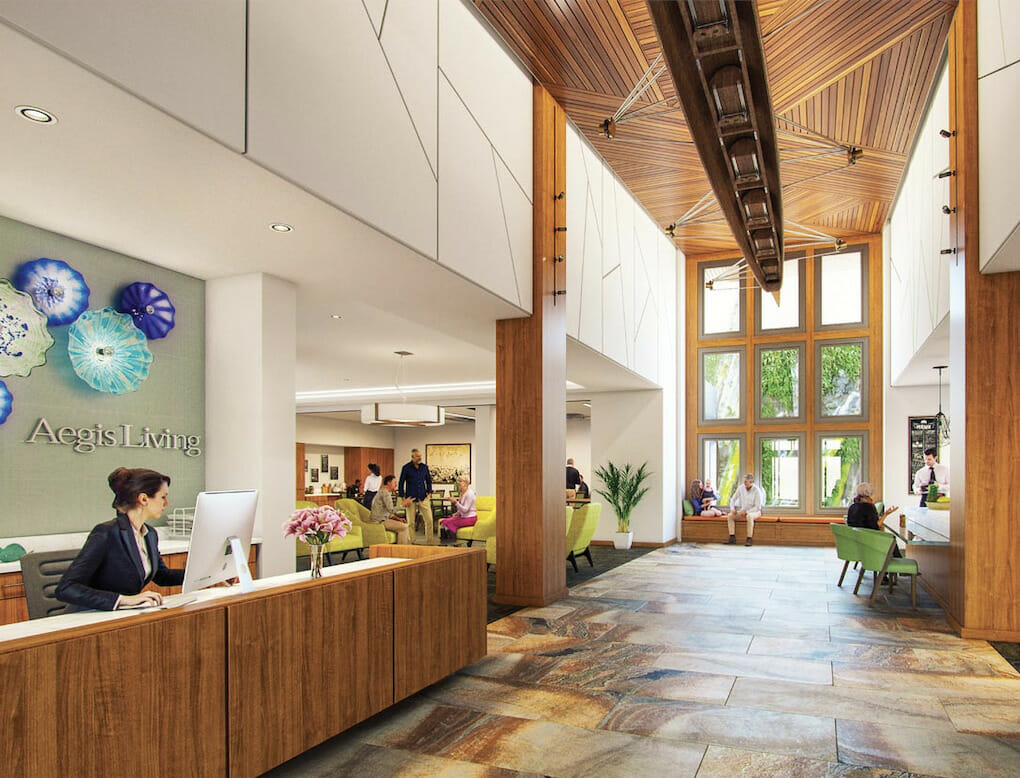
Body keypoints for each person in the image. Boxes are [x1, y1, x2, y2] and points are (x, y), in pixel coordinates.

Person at [56, 467, 184, 611]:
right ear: (143, 499)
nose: (166, 503)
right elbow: (66, 588)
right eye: (163, 497)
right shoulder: (106, 532)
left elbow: (162, 576)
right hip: (90, 616)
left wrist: (202, 574)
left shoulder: (150, 534)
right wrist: (123, 600)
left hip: (120, 615)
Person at [846, 482, 902, 557]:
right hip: (868, 540)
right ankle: (897, 560)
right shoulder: (869, 507)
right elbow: (876, 526)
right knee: (891, 538)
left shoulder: (852, 507)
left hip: (856, 539)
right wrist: (886, 514)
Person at [399, 448, 435, 545]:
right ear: (412, 457)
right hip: (411, 498)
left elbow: (429, 481)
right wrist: (403, 498)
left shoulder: (424, 467)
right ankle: (412, 541)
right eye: (418, 456)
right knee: (411, 522)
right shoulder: (406, 468)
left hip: (423, 497)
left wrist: (429, 493)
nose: (420, 458)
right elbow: (401, 483)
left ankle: (430, 541)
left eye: (420, 456)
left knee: (429, 520)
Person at [369, 475, 410, 544]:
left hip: (378, 520)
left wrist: (398, 519)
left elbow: (387, 512)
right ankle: (401, 549)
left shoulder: (381, 492)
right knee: (404, 527)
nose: (396, 485)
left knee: (401, 525)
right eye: (394, 482)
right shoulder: (385, 493)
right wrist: (403, 504)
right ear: (388, 483)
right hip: (379, 522)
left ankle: (398, 547)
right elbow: (391, 510)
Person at [728, 473, 765, 546]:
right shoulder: (741, 488)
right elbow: (733, 499)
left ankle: (749, 538)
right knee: (730, 516)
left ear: (751, 482)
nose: (744, 483)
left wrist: (747, 512)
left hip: (755, 511)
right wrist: (732, 508)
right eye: (744, 481)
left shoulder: (757, 491)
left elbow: (757, 507)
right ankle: (732, 537)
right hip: (743, 510)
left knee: (749, 516)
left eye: (746, 482)